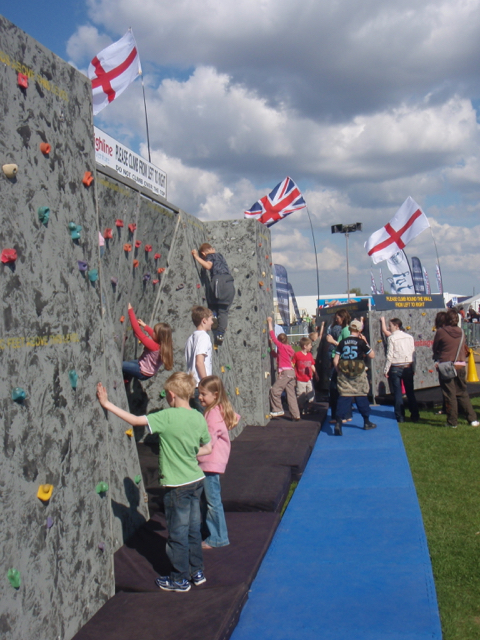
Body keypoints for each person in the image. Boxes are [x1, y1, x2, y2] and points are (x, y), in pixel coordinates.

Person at [96, 372, 212, 592]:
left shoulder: (166, 416)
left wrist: (107, 403)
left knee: (177, 533)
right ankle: (197, 571)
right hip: (196, 481)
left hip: (177, 485)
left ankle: (179, 579)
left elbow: (134, 420)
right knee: (193, 529)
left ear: (171, 394)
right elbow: (208, 448)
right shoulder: (198, 416)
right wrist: (189, 451)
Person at [197, 375, 239, 549]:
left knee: (212, 501)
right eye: (199, 393)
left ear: (215, 395)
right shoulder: (219, 408)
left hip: (209, 462)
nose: (200, 397)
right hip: (213, 462)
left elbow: (209, 441)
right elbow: (235, 417)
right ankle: (210, 531)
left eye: (203, 394)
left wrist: (192, 452)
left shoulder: (213, 414)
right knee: (208, 499)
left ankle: (218, 537)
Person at [432, 308, 479, 428]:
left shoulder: (441, 332)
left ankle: (452, 421)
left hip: (447, 365)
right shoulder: (461, 332)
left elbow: (435, 347)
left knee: (449, 394)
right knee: (462, 392)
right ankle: (472, 419)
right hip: (461, 365)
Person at [333, 319, 376, 436]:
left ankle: (338, 423)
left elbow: (336, 359)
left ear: (350, 329)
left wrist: (339, 371)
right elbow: (372, 355)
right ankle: (366, 422)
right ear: (360, 329)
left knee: (344, 396)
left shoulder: (342, 342)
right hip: (358, 373)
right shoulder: (361, 342)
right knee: (361, 395)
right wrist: (366, 341)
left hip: (344, 373)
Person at [191, 243, 235, 346]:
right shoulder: (220, 256)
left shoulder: (210, 256)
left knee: (212, 301)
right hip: (230, 284)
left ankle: (213, 316)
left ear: (203, 253)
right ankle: (220, 334)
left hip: (219, 281)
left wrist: (196, 257)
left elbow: (208, 266)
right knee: (223, 311)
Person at [122, 303, 173, 381]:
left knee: (121, 365)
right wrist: (145, 326)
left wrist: (130, 311)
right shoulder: (165, 344)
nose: (153, 332)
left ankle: (128, 376)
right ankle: (127, 377)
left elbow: (138, 332)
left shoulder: (154, 347)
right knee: (129, 363)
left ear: (159, 337)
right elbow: (154, 335)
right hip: (145, 366)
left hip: (142, 372)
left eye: (155, 332)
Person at [383, 318, 420, 423]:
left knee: (398, 393)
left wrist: (386, 369)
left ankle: (400, 416)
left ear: (396, 326)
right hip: (407, 365)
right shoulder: (409, 337)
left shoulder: (391, 338)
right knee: (410, 392)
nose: (389, 328)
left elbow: (389, 355)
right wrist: (414, 367)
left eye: (390, 326)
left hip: (396, 366)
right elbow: (413, 354)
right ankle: (415, 415)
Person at [267, 316, 300, 421]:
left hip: (285, 372)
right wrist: (271, 348)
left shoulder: (281, 347)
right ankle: (296, 415)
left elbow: (272, 335)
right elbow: (275, 355)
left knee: (275, 390)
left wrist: (269, 322)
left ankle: (278, 409)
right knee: (291, 394)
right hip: (291, 372)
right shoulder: (288, 349)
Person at [185, 306, 214, 413]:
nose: (212, 322)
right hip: (200, 387)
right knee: (205, 421)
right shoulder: (204, 337)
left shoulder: (191, 338)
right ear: (204, 320)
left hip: (191, 386)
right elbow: (199, 362)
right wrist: (207, 384)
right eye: (211, 319)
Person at [325, 310, 351, 424]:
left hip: (340, 362)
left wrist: (332, 341)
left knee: (335, 389)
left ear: (343, 318)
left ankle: (338, 416)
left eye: (338, 318)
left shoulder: (345, 330)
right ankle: (347, 414)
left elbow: (346, 345)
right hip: (338, 360)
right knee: (344, 388)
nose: (336, 320)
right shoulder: (346, 329)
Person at [293, 337, 316, 415]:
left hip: (309, 378)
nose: (311, 346)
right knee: (301, 394)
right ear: (305, 346)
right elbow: (292, 364)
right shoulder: (297, 355)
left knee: (311, 393)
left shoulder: (310, 355)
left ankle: (310, 407)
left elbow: (312, 365)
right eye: (310, 345)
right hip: (300, 378)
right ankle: (301, 408)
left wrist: (316, 373)